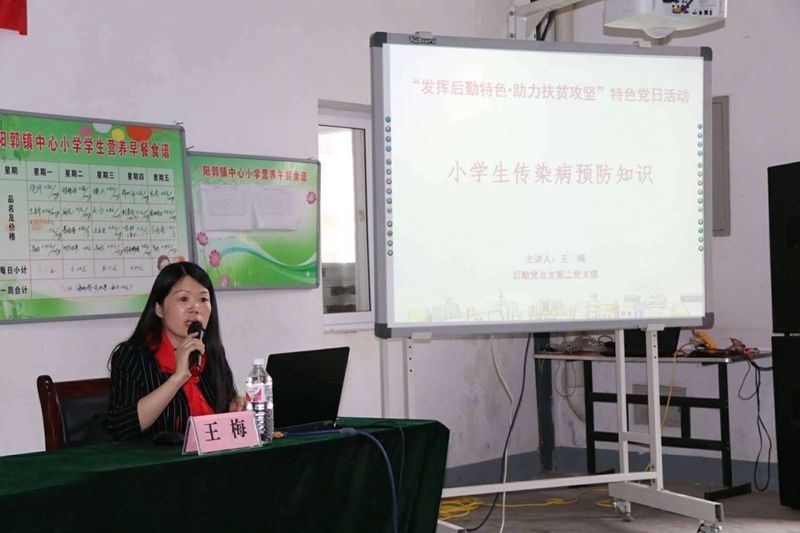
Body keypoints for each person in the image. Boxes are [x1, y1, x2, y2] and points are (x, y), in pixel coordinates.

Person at [107, 261, 244, 441]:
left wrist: (234, 407)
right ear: (159, 309)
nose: (195, 308)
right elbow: (120, 427)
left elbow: (222, 415)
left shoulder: (212, 352)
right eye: (183, 299)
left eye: (203, 299)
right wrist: (178, 377)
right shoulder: (132, 355)